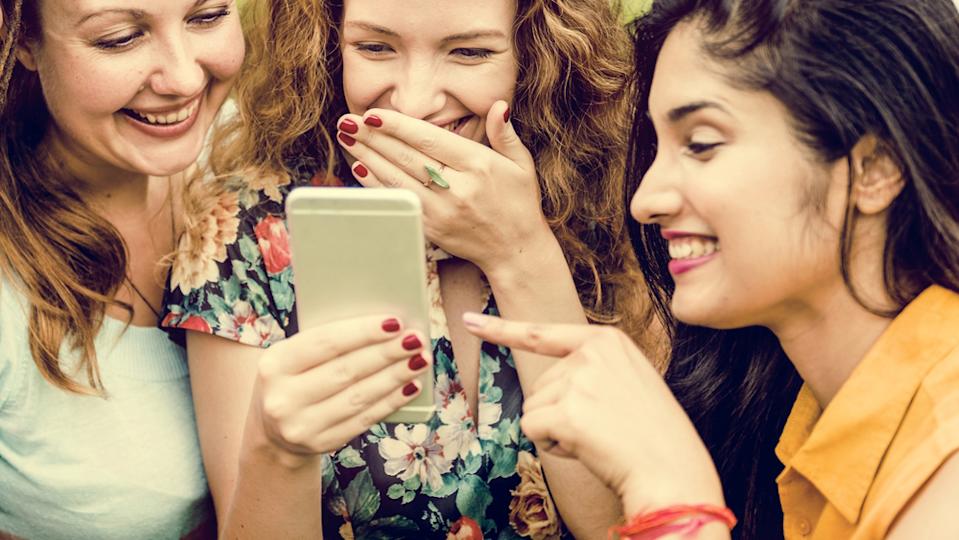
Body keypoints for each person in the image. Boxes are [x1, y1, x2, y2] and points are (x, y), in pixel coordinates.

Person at [161, 0, 658, 538]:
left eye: (469, 52)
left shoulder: (622, 203)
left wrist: (522, 252)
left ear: (536, 55)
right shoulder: (243, 230)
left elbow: (614, 525)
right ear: (330, 44)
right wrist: (278, 451)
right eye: (374, 47)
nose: (414, 103)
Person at [464, 0, 959, 538]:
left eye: (700, 144)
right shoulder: (785, 416)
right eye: (657, 147)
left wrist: (675, 500)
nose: (645, 200)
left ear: (873, 169)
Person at [0, 0, 244, 537]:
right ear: (21, 40)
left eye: (208, 16)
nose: (184, 78)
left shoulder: (247, 152)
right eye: (118, 38)